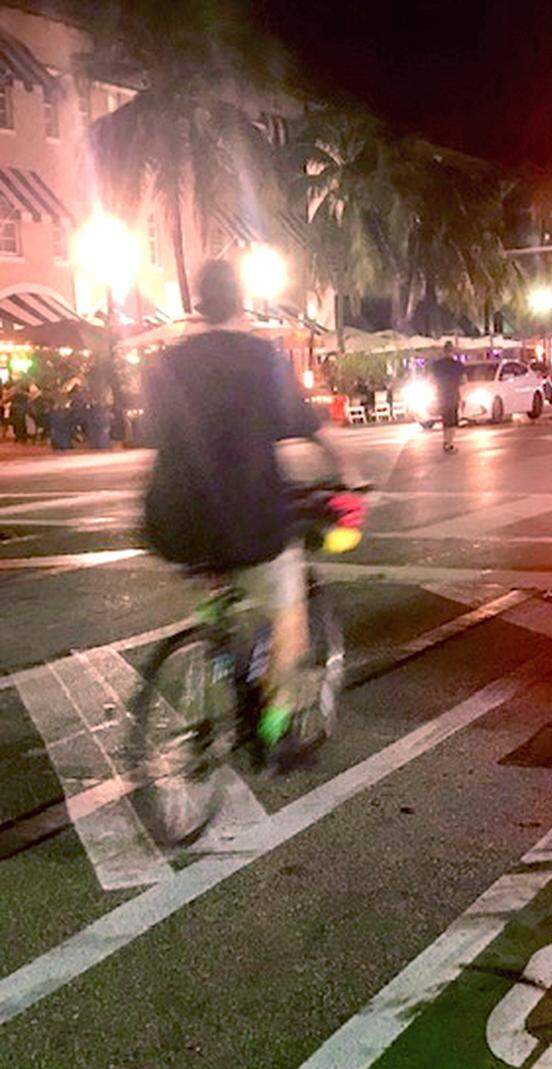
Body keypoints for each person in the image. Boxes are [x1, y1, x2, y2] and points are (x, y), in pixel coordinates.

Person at [143, 259, 364, 764]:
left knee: (217, 579)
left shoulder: (169, 361)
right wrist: (351, 476)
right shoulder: (260, 358)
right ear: (241, 301)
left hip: (173, 522)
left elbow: (153, 434)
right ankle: (273, 728)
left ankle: (212, 637)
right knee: (289, 617)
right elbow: (316, 430)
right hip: (249, 521)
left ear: (199, 302)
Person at [429, 341, 465, 453]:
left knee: (445, 420)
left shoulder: (436, 365)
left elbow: (431, 380)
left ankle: (446, 441)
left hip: (441, 394)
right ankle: (449, 443)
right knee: (453, 421)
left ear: (443, 351)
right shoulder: (458, 365)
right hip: (453, 394)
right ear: (452, 351)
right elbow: (464, 381)